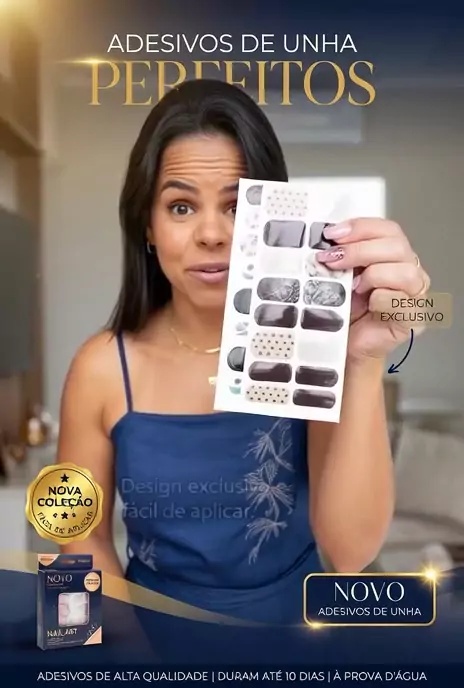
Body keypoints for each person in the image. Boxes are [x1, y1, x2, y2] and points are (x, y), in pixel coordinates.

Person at [57, 78, 430, 625]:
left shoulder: (311, 347)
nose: (211, 233)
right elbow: (79, 537)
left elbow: (350, 553)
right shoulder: (100, 368)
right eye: (181, 206)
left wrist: (363, 360)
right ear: (147, 225)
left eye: (236, 206)